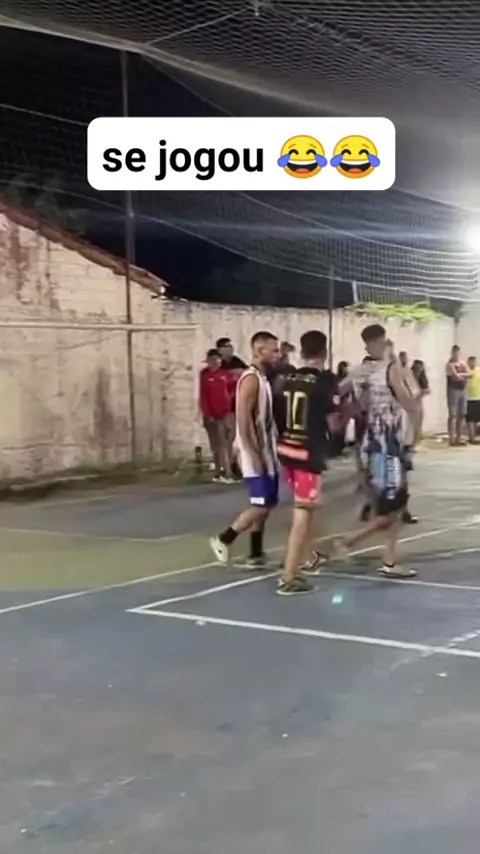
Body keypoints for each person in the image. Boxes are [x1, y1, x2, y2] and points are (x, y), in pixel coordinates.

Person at [336, 323, 419, 578]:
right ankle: (348, 542)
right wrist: (413, 432)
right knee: (393, 508)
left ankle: (389, 559)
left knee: (396, 506)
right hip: (388, 445)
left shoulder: (359, 372)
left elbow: (340, 396)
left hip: (372, 443)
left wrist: (343, 417)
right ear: (380, 341)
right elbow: (410, 401)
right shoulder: (389, 369)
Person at [209, 332, 280, 569]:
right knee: (260, 504)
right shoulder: (250, 379)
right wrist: (252, 452)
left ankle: (255, 553)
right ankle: (224, 539)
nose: (277, 355)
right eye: (273, 350)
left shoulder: (263, 378)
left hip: (267, 451)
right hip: (255, 453)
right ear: (259, 351)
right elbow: (243, 420)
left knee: (267, 503)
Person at [277, 330, 340, 595]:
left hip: (287, 448)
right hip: (307, 451)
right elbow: (333, 422)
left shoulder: (286, 379)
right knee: (303, 512)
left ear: (302, 351)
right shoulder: (324, 381)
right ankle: (289, 575)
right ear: (324, 352)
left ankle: (317, 552)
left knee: (311, 504)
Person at [199, 349, 235, 482]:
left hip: (225, 414)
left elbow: (232, 388)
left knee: (226, 443)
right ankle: (219, 471)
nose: (215, 363)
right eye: (212, 361)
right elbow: (203, 396)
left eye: (217, 361)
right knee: (216, 445)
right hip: (212, 415)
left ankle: (228, 472)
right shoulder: (205, 376)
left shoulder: (225, 374)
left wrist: (229, 406)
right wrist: (207, 413)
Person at [216, 337, 247, 478]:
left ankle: (234, 464)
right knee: (226, 439)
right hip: (224, 407)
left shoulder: (236, 361)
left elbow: (246, 372)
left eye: (230, 346)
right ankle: (225, 468)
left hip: (237, 404)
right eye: (226, 346)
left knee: (238, 438)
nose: (230, 349)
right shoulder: (218, 364)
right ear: (219, 350)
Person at [445, 345, 470, 446]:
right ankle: (451, 438)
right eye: (454, 353)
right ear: (452, 353)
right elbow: (454, 376)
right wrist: (464, 375)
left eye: (457, 353)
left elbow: (470, 374)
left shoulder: (462, 363)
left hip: (462, 389)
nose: (456, 354)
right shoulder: (449, 364)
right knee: (453, 415)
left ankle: (458, 437)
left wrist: (461, 375)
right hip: (453, 390)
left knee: (462, 414)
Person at [330, 360, 350, 457]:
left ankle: (340, 447)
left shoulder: (346, 379)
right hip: (339, 404)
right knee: (337, 427)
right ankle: (336, 449)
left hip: (344, 404)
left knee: (343, 428)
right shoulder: (337, 379)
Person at [411, 359, 430, 441]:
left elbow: (427, 390)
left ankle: (416, 438)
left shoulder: (422, 378)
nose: (418, 370)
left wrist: (422, 392)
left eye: (420, 368)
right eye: (417, 368)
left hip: (418, 401)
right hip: (410, 401)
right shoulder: (409, 376)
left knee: (419, 420)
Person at [466, 356, 480, 443]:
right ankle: (471, 437)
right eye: (471, 362)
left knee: (476, 418)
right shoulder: (466, 371)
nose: (473, 363)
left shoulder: (478, 370)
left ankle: (475, 436)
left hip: (478, 397)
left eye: (474, 362)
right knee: (470, 418)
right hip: (469, 398)